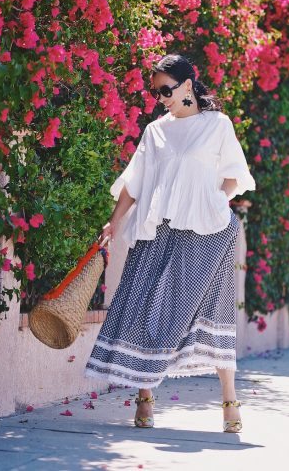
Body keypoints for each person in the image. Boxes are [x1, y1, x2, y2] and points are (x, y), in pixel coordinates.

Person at [84, 54, 256, 433]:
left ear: (188, 85)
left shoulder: (217, 125)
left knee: (214, 307)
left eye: (166, 89)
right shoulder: (155, 131)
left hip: (206, 233)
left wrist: (216, 202)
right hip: (157, 230)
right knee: (148, 307)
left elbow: (234, 175)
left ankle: (229, 400)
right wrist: (114, 223)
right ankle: (145, 396)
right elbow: (134, 183)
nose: (161, 98)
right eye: (156, 92)